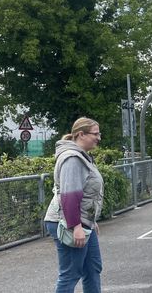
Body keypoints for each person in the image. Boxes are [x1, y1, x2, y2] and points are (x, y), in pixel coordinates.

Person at [43, 117, 104, 293]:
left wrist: (91, 219)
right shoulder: (72, 159)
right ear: (81, 134)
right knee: (70, 274)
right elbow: (69, 196)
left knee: (92, 268)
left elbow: (86, 193)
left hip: (83, 222)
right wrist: (76, 226)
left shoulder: (83, 157)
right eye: (95, 133)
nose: (99, 138)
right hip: (69, 222)